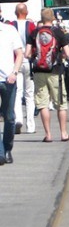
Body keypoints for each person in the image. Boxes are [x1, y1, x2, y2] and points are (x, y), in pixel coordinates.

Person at [26, 8, 69, 143]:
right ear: (52, 18)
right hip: (55, 72)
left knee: (43, 104)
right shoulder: (58, 32)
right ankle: (64, 133)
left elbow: (27, 54)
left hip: (39, 72)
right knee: (61, 104)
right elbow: (68, 53)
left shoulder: (34, 33)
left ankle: (48, 135)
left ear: (41, 18)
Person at [10, 3, 37, 135]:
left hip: (15, 62)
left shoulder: (10, 25)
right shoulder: (31, 25)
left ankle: (18, 119)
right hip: (29, 62)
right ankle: (30, 125)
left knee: (17, 93)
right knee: (29, 94)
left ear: (16, 13)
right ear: (26, 12)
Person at [0, 20, 25, 164]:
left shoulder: (9, 30)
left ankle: (7, 149)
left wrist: (14, 73)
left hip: (8, 79)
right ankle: (1, 153)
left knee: (9, 117)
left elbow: (19, 54)